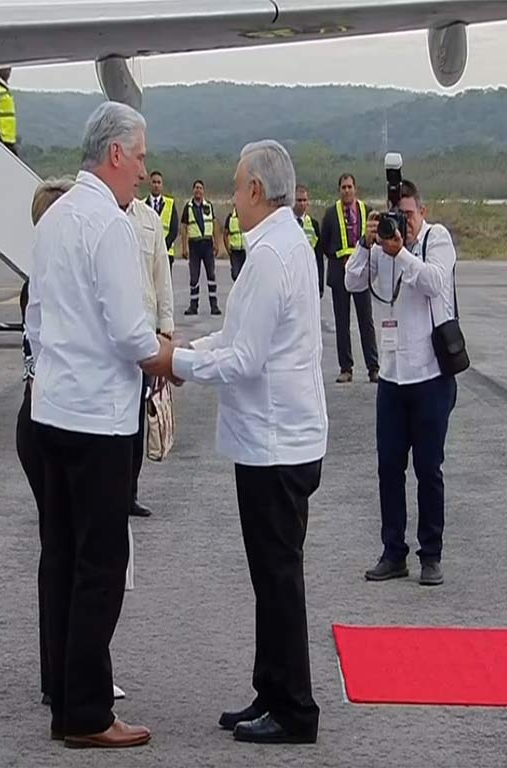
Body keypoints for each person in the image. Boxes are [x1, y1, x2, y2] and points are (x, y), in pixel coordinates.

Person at [145, 140, 328, 745]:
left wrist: (178, 365)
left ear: (256, 190)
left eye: (235, 184)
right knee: (269, 576)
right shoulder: (279, 244)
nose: (230, 196)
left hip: (276, 444)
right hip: (274, 439)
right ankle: (271, 689)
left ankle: (295, 709)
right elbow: (239, 334)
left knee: (278, 578)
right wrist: (190, 353)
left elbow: (247, 358)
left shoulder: (274, 254)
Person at [25, 101, 172, 749]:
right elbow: (129, 332)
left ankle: (61, 687)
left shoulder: (55, 217)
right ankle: (85, 713)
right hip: (98, 422)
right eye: (139, 155)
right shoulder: (109, 225)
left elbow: (35, 322)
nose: (143, 169)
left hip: (50, 410)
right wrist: (176, 358)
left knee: (60, 554)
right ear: (115, 153)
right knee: (100, 565)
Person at [344, 180, 458, 587]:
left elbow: (434, 283)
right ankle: (394, 552)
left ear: (421, 212)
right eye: (397, 216)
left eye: (408, 215)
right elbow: (351, 282)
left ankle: (431, 555)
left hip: (430, 377)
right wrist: (366, 243)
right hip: (392, 379)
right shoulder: (383, 247)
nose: (402, 223)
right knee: (389, 468)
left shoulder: (435, 239)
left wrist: (402, 252)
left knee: (429, 469)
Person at [16, 177, 75, 707]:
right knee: (65, 550)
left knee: (58, 548)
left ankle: (57, 669)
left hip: (38, 417)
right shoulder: (48, 282)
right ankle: (65, 671)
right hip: (45, 420)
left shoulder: (43, 277)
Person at [125, 196, 176, 517]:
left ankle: (129, 491)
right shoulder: (97, 213)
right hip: (108, 337)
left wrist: (166, 328)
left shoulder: (148, 219)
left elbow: (162, 276)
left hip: (143, 333)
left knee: (137, 420)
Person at [320, 174, 379, 383]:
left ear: (355, 189)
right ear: (339, 190)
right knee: (342, 322)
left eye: (350, 187)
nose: (347, 190)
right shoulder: (330, 214)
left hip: (362, 274)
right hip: (340, 275)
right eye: (343, 187)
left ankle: (373, 367)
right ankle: (346, 368)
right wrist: (340, 259)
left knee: (366, 321)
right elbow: (324, 243)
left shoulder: (368, 212)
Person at [180, 180, 222, 315]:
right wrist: (184, 247)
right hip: (194, 245)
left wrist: (217, 243)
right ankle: (193, 306)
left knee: (211, 275)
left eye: (200, 188)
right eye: (196, 188)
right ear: (193, 190)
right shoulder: (188, 207)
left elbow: (214, 224)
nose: (198, 190)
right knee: (194, 277)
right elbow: (184, 227)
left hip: (208, 245)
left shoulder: (208, 206)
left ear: (203, 191)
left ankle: (214, 306)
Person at [145, 170, 179, 273]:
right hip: (148, 253)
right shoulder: (142, 205)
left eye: (159, 182)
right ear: (150, 184)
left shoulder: (170, 203)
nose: (156, 185)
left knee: (164, 286)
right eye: (154, 182)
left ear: (162, 185)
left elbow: (174, 229)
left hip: (166, 253)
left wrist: (163, 247)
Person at [293, 185, 322, 290]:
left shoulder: (313, 224)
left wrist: (320, 284)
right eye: (299, 200)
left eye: (304, 200)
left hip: (308, 276)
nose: (302, 204)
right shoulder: (285, 223)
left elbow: (319, 256)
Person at [224, 206, 246, 281]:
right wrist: (228, 248)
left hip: (245, 250)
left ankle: (242, 291)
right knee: (235, 274)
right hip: (234, 251)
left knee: (245, 274)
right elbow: (225, 234)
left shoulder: (247, 217)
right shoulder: (230, 218)